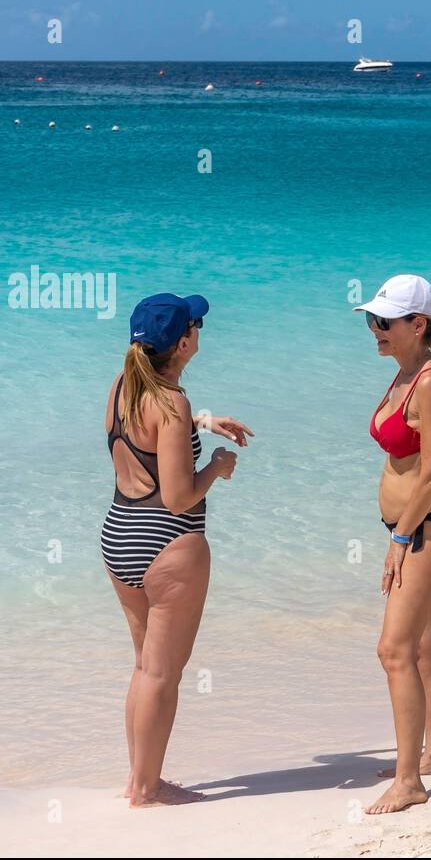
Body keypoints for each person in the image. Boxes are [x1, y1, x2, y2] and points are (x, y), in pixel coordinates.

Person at [100, 293, 251, 807]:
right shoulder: (173, 404)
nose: (199, 331)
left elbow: (154, 423)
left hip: (119, 536)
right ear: (184, 342)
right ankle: (146, 789)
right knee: (162, 673)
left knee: (144, 667)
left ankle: (137, 778)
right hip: (168, 544)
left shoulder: (123, 386)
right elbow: (179, 496)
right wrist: (217, 466)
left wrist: (201, 421)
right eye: (196, 325)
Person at [358, 275, 431, 814]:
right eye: (372, 320)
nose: (374, 329)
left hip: (427, 529)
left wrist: (400, 537)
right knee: (423, 648)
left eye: (384, 321)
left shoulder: (429, 381)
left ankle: (409, 782)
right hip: (408, 527)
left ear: (417, 325)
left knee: (393, 649)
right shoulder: (403, 374)